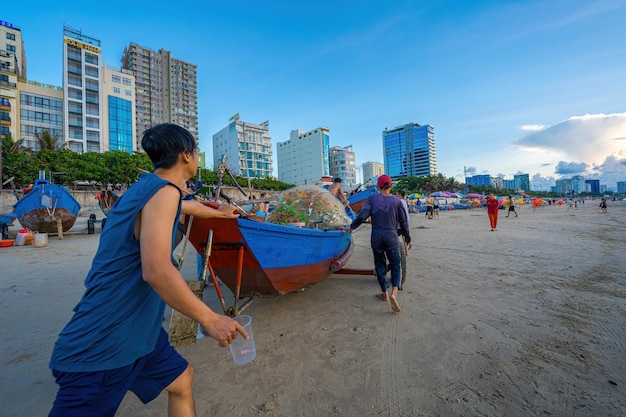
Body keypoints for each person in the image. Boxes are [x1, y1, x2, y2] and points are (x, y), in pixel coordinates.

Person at [48, 123, 248, 417]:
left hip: (140, 332)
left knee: (182, 379)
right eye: (196, 151)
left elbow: (188, 207)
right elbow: (156, 270)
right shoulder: (164, 194)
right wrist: (210, 318)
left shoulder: (149, 188)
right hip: (108, 338)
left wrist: (218, 212)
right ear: (186, 155)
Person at [350, 175, 411, 313]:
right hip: (392, 236)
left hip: (377, 236)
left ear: (378, 186)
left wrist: (351, 227)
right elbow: (404, 222)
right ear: (390, 186)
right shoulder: (397, 201)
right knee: (396, 265)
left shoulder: (372, 199)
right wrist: (408, 238)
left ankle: (384, 292)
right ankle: (394, 293)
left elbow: (362, 216)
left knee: (379, 265)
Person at [395, 190, 410, 285]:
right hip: (405, 223)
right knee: (404, 237)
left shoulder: (399, 202)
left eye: (396, 194)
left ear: (400, 195)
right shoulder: (404, 202)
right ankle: (406, 252)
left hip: (400, 224)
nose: (395, 195)